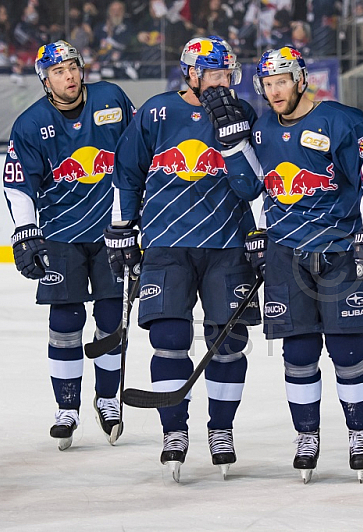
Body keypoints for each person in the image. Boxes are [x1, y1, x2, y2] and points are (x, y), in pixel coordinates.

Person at [208, 45, 363, 483]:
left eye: (281, 82)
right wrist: (233, 143)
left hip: (338, 251)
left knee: (349, 352)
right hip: (285, 255)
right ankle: (306, 435)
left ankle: (358, 435)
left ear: (301, 79)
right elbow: (252, 186)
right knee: (299, 354)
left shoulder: (341, 120)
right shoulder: (262, 128)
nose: (274, 92)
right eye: (267, 84)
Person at [105, 35, 261, 483]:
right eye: (215, 74)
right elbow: (127, 172)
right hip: (166, 244)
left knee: (227, 343)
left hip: (227, 245)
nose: (224, 83)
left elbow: (254, 185)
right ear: (191, 73)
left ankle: (222, 430)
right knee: (169, 339)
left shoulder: (243, 114)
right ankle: (174, 431)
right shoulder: (155, 112)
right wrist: (120, 228)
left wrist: (257, 231)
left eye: (228, 74)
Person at [2, 40, 134, 451]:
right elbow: (18, 183)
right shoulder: (29, 124)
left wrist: (134, 218)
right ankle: (68, 407)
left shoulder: (112, 98)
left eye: (73, 67)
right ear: (45, 79)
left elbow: (137, 155)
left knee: (111, 319)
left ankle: (108, 399)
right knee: (65, 322)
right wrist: (26, 231)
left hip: (113, 232)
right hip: (61, 236)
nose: (70, 76)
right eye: (59, 71)